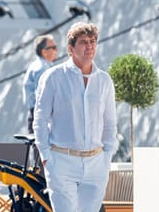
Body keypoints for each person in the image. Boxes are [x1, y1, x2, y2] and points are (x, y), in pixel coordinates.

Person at [34, 22, 118, 212]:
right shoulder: (53, 77)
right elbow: (40, 119)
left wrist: (107, 156)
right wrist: (46, 156)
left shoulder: (104, 80)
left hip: (96, 163)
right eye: (83, 42)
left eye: (92, 41)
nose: (89, 46)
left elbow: (110, 124)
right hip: (62, 161)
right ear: (71, 49)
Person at [22, 34, 57, 134]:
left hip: (38, 114)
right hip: (41, 116)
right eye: (53, 48)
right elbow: (42, 95)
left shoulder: (43, 66)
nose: (56, 50)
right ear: (44, 52)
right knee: (42, 148)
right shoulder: (42, 68)